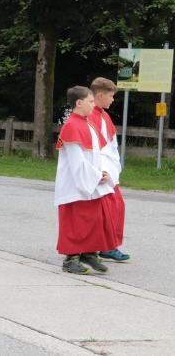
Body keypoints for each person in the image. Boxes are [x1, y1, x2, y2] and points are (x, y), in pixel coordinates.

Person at [55, 86, 118, 275]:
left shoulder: (88, 124)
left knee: (93, 219)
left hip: (92, 181)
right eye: (90, 102)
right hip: (76, 184)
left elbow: (99, 154)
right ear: (79, 103)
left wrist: (105, 172)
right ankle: (71, 259)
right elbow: (77, 161)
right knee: (75, 222)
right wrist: (96, 176)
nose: (93, 105)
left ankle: (89, 253)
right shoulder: (71, 126)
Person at [88, 77, 130, 262]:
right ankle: (105, 246)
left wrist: (115, 167)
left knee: (116, 207)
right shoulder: (91, 115)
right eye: (111, 96)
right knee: (105, 209)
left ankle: (108, 245)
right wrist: (99, 171)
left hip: (110, 169)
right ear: (100, 95)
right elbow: (94, 148)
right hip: (102, 170)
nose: (113, 100)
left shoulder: (104, 115)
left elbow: (111, 144)